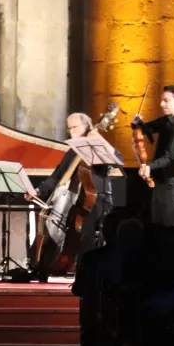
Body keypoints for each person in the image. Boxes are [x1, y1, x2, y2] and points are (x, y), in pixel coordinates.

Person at [27, 112, 126, 270]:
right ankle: (43, 266)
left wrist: (98, 138)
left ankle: (87, 272)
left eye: (75, 127)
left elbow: (119, 160)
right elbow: (56, 177)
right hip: (74, 201)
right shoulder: (71, 152)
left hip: (97, 199)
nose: (71, 131)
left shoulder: (98, 146)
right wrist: (37, 191)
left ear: (87, 127)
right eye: (69, 128)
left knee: (86, 231)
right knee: (54, 225)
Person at [132, 85, 174, 228]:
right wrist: (137, 123)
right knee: (156, 227)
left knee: (170, 227)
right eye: (161, 100)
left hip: (172, 183)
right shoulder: (166, 121)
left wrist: (148, 167)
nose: (161, 104)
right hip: (160, 182)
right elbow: (146, 129)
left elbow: (169, 157)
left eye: (166, 100)